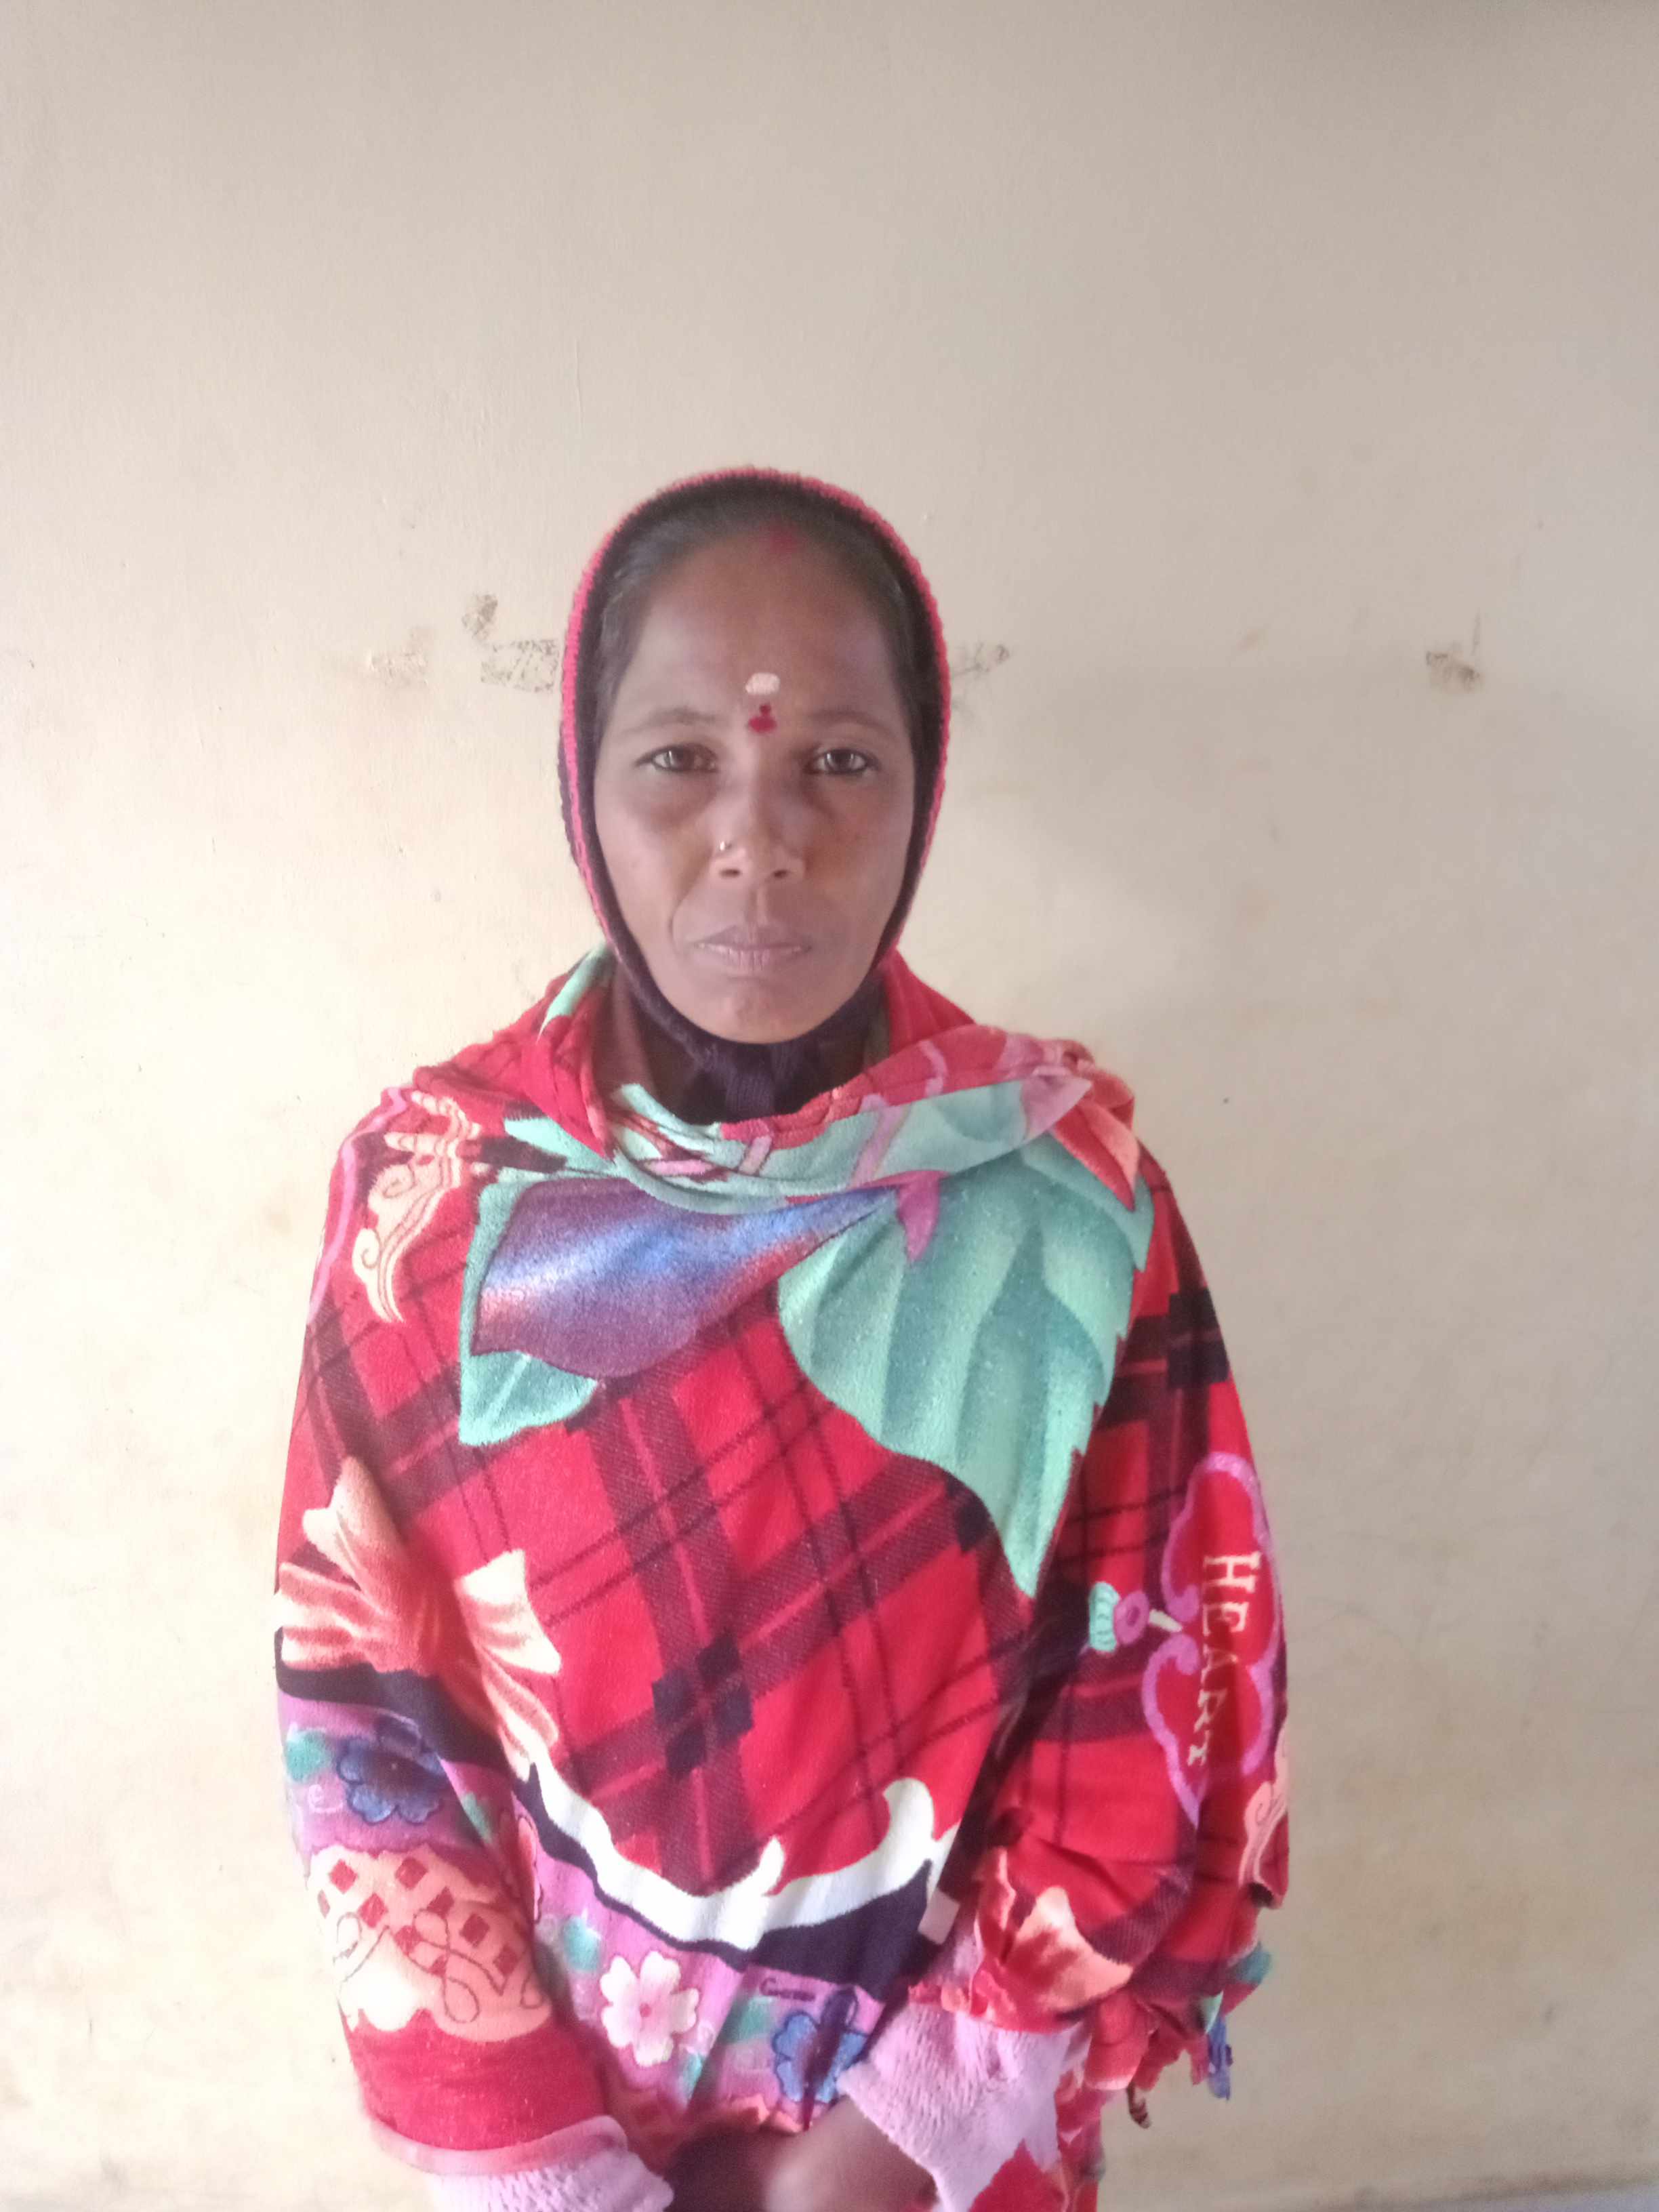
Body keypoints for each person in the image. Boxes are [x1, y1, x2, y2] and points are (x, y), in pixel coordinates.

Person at [273, 469, 1289, 2212]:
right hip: (566, 2126)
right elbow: (360, 1716)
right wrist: (549, 2171)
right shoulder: (425, 1210)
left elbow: (1161, 1670)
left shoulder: (1070, 1205)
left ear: (924, 791)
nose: (761, 838)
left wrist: (896, 2135)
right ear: (582, 790)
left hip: (942, 2133)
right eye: (681, 759)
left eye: (840, 761)